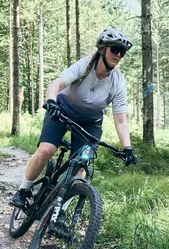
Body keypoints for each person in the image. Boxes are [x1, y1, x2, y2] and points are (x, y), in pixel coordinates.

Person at [11, 28, 138, 209]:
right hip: (62, 112)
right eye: (114, 49)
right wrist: (51, 102)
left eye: (122, 52)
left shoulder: (118, 81)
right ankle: (23, 191)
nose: (118, 55)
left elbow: (121, 120)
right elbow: (57, 83)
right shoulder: (85, 65)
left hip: (90, 122)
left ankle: (59, 213)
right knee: (47, 150)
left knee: (80, 167)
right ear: (102, 49)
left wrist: (127, 147)